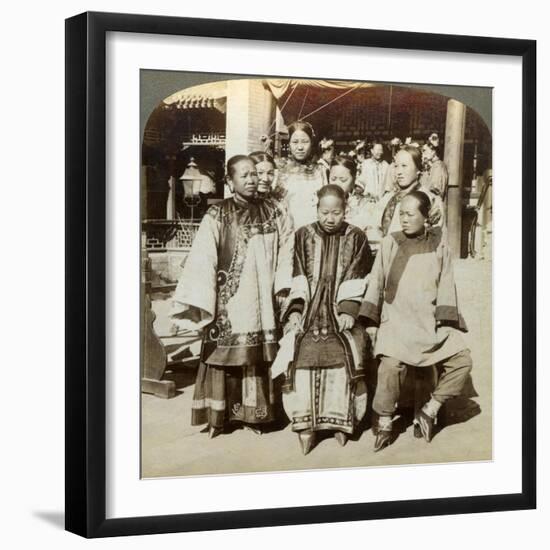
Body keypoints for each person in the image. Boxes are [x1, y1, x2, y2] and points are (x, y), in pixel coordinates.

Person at [171, 155, 294, 438]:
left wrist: (282, 288)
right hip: (230, 300)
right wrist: (202, 300)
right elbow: (203, 257)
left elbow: (287, 250)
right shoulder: (218, 214)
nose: (253, 180)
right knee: (225, 355)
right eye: (244, 175)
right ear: (229, 181)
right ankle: (220, 417)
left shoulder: (275, 211)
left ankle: (256, 416)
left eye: (255, 174)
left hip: (263, 298)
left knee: (258, 356)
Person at [359, 191, 472, 452]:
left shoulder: (440, 243)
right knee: (391, 365)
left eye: (410, 214)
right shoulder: (391, 242)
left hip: (429, 322)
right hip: (396, 321)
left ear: (426, 217)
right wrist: (373, 321)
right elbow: (376, 280)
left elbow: (446, 284)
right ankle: (385, 420)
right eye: (402, 214)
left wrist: (445, 322)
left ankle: (430, 409)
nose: (404, 219)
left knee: (463, 360)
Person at [280, 184, 374, 455]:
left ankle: (342, 423)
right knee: (299, 348)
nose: (330, 218)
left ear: (346, 209)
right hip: (310, 308)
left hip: (341, 310)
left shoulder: (356, 237)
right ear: (316, 209)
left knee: (346, 351)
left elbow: (358, 277)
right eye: (324, 212)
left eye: (336, 212)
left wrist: (347, 309)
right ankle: (305, 424)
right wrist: (296, 310)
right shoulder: (303, 235)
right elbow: (297, 275)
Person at [374, 145, 443, 239]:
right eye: (396, 166)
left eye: (404, 166)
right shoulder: (388, 198)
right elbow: (374, 227)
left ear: (418, 169)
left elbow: (436, 237)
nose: (399, 172)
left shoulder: (430, 199)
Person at [273, 120, 327, 229]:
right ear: (289, 144)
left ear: (311, 143)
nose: (300, 147)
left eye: (304, 141)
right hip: (286, 230)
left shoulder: (321, 171)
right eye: (295, 142)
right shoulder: (279, 170)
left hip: (314, 229)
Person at [328, 156, 373, 233]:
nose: (337, 184)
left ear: (354, 179)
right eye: (333, 179)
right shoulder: (320, 201)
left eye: (343, 180)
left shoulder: (364, 205)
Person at [420, 133, 449, 199]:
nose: (423, 154)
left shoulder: (438, 166)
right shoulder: (432, 166)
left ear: (433, 152)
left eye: (424, 151)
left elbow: (435, 190)